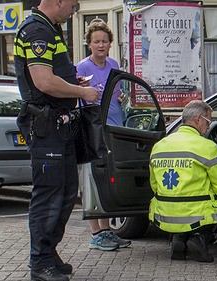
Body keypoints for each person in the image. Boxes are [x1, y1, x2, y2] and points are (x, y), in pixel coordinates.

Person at [15, 0, 101, 281]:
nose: (74, 10)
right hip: (46, 126)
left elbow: (54, 77)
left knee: (65, 192)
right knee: (50, 193)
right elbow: (43, 82)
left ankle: (48, 253)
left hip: (58, 124)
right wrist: (81, 91)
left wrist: (70, 80)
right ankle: (39, 263)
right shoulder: (38, 31)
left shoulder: (50, 28)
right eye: (74, 4)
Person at [149, 100, 217, 262]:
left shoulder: (159, 146)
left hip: (164, 213)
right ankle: (198, 238)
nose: (209, 127)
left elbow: (154, 186)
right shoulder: (207, 147)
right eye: (208, 121)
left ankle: (179, 238)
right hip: (196, 214)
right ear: (198, 119)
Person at [76, 19, 131, 252]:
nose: (101, 45)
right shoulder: (82, 67)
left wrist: (123, 98)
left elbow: (118, 92)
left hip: (114, 127)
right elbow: (79, 98)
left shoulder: (113, 64)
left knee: (109, 179)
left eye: (105, 41)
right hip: (94, 129)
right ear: (89, 44)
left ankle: (107, 230)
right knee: (92, 179)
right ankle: (96, 234)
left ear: (110, 44)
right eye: (96, 41)